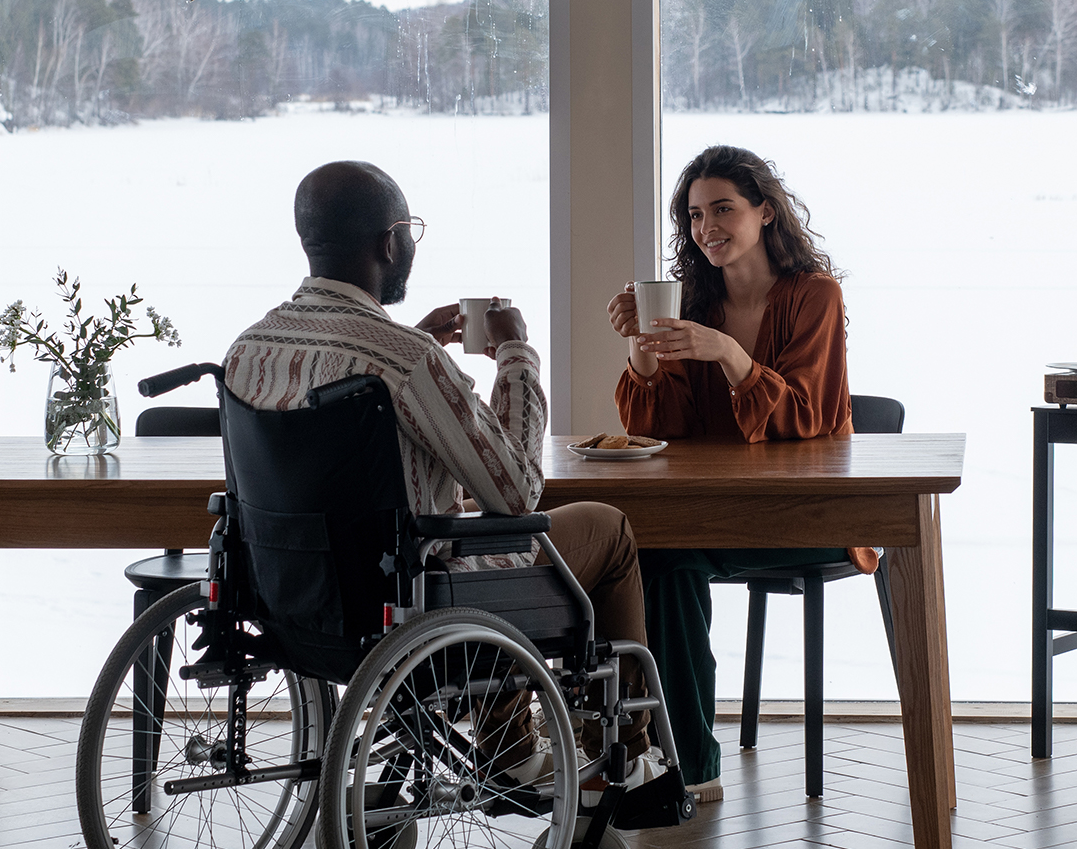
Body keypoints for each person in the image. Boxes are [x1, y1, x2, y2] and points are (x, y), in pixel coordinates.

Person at [225, 160, 665, 789]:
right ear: (389, 242)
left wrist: (413, 345)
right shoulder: (407, 361)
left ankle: (515, 749)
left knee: (477, 537)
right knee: (607, 530)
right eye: (410, 230)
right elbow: (516, 490)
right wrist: (515, 355)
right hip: (412, 604)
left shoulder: (249, 348)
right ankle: (625, 757)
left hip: (295, 603)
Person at [606, 145, 865, 800]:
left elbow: (805, 416)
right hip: (715, 511)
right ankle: (653, 755)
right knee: (643, 554)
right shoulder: (693, 303)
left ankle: (681, 764)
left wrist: (726, 352)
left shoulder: (816, 297)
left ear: (765, 212)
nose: (707, 227)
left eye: (723, 209)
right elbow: (663, 427)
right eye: (695, 215)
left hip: (810, 515)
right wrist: (642, 350)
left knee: (668, 557)